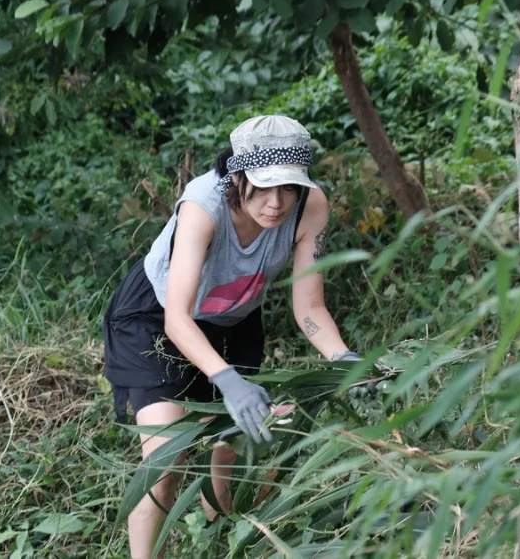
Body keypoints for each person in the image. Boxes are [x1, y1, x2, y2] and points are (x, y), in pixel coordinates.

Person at [102, 114, 360, 558]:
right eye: (262, 186)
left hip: (233, 321)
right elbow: (177, 319)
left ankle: (220, 544)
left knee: (237, 461)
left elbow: (310, 307)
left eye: (288, 187)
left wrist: (345, 360)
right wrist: (228, 380)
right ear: (236, 174)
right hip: (157, 318)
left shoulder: (311, 207)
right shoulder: (204, 205)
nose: (276, 203)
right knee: (165, 461)